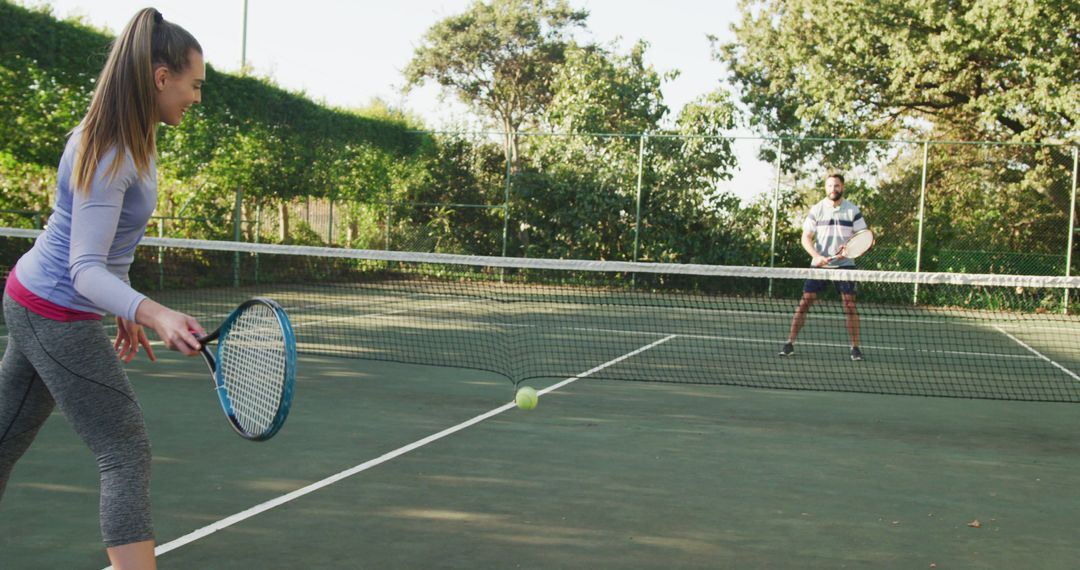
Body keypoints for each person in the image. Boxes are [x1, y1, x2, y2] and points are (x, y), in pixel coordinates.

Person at [0, 9, 206, 569]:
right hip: (51, 309)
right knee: (124, 448)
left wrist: (125, 305)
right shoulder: (112, 146)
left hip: (38, 297)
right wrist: (157, 314)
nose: (197, 97)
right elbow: (82, 270)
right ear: (161, 77)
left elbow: (106, 255)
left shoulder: (134, 138)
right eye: (195, 84)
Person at [778, 173, 867, 361]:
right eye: (829, 186)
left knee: (850, 305)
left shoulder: (852, 210)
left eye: (836, 186)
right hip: (819, 265)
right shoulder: (817, 209)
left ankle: (855, 347)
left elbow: (863, 238)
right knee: (805, 301)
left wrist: (849, 251)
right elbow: (806, 237)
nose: (832, 189)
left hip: (845, 265)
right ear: (825, 188)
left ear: (842, 187)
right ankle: (789, 343)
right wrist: (816, 256)